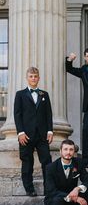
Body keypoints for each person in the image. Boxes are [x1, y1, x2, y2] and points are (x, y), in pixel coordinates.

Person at [14, 67, 53, 197]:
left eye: (35, 76)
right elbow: (17, 114)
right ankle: (29, 189)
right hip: (26, 135)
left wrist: (50, 131)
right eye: (31, 76)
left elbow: (48, 114)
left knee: (47, 161)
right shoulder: (20, 94)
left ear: (38, 78)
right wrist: (20, 132)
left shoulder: (44, 94)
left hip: (42, 134)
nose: (33, 78)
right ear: (27, 78)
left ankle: (49, 188)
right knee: (27, 161)